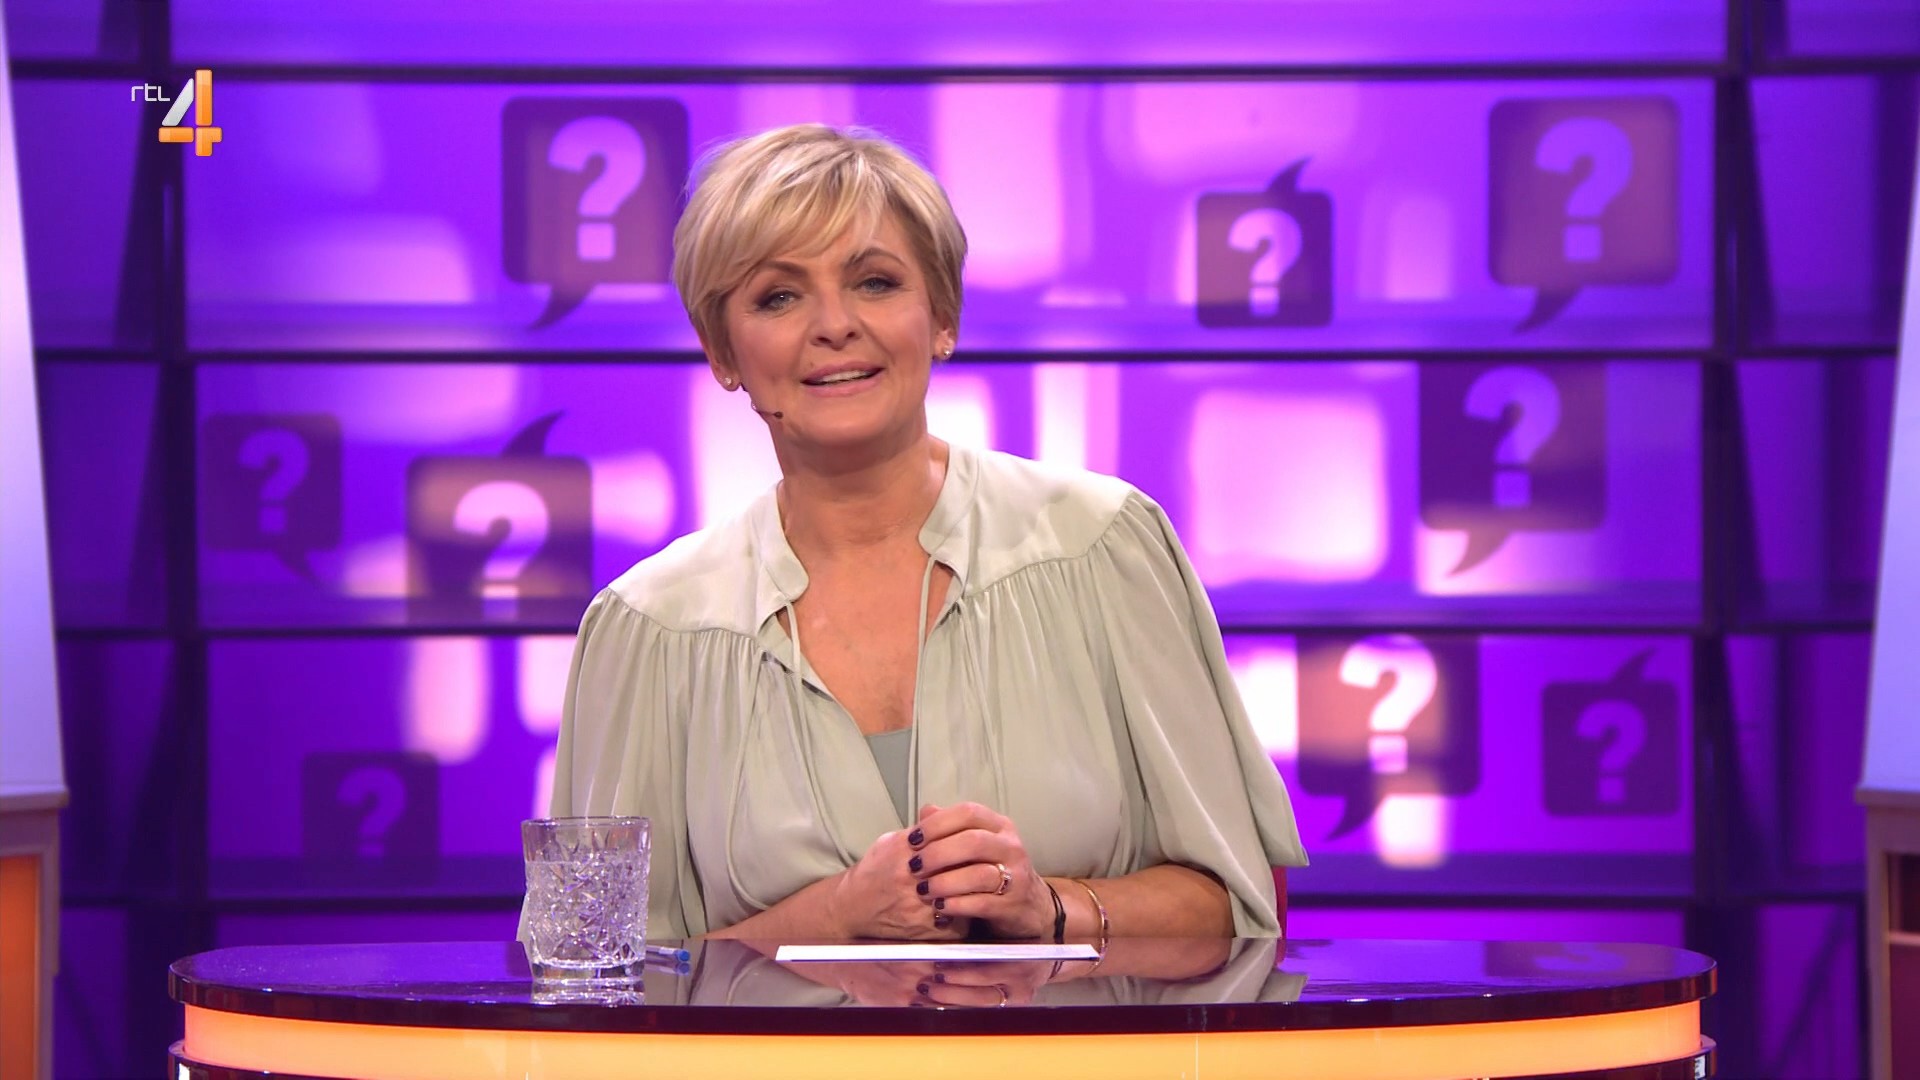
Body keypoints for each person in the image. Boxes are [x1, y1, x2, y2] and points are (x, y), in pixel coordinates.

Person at [544, 123, 1306, 946]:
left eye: (874, 282)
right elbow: (592, 970)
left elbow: (1239, 909)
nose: (834, 325)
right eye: (778, 296)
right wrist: (835, 916)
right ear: (722, 351)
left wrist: (1051, 907)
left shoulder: (1102, 545)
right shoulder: (650, 627)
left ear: (942, 317)